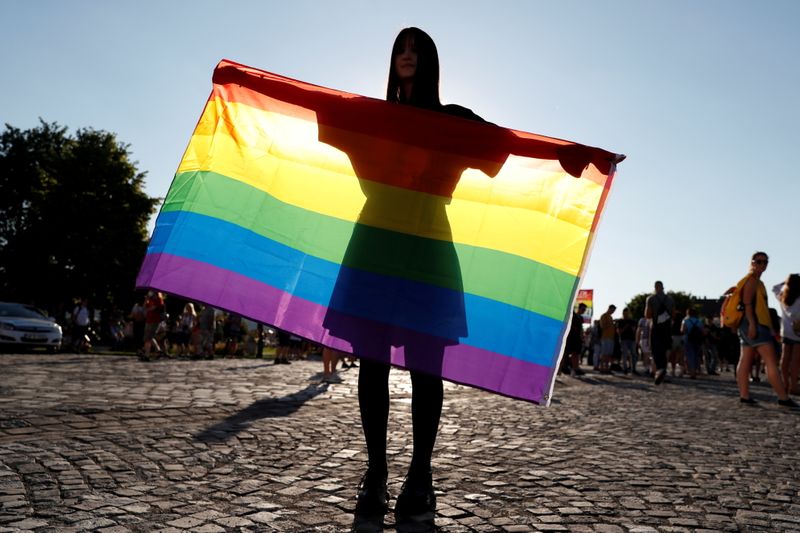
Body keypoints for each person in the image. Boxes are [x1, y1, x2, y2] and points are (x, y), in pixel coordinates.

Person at [736, 252, 796, 407]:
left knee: (745, 359)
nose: (762, 264)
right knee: (771, 361)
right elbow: (748, 304)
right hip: (754, 324)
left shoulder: (755, 281)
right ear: (752, 262)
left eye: (765, 262)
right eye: (759, 261)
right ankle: (783, 397)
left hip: (751, 324)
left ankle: (744, 395)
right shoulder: (752, 281)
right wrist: (753, 325)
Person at [773, 274, 800, 395]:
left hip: (785, 331)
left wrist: (784, 282)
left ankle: (785, 384)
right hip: (798, 333)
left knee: (784, 359)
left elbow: (774, 287)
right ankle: (794, 386)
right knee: (795, 361)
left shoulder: (783, 297)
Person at [645, 281, 674, 385]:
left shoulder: (651, 299)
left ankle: (659, 370)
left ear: (655, 287)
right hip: (667, 327)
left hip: (656, 327)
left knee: (656, 349)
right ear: (663, 287)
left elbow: (648, 315)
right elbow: (673, 315)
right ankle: (663, 369)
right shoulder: (670, 299)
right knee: (666, 348)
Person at [140, 291, 164, 361]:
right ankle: (158, 350)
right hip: (148, 320)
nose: (150, 292)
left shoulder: (159, 299)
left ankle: (146, 355)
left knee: (148, 338)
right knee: (147, 338)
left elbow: (152, 308)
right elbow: (144, 306)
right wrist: (146, 299)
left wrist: (147, 309)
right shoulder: (150, 299)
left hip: (155, 321)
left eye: (152, 292)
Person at [565, 303, 587, 377]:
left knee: (576, 353)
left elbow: (581, 329)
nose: (583, 311)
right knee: (567, 353)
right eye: (583, 309)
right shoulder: (573, 315)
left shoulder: (580, 318)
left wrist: (582, 337)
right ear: (579, 308)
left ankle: (575, 368)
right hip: (571, 337)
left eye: (584, 310)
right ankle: (565, 367)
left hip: (577, 338)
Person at [681, 308, 704, 379]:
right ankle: (697, 370)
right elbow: (702, 331)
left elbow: (682, 330)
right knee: (696, 356)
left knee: (690, 356)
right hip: (697, 340)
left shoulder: (685, 320)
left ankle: (692, 373)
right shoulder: (699, 321)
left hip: (688, 340)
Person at [616, 307, 637, 375]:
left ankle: (633, 369)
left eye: (627, 313)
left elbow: (635, 331)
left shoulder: (632, 321)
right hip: (624, 340)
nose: (626, 314)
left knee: (633, 354)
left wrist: (631, 328)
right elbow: (619, 331)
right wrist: (625, 327)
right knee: (625, 354)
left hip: (632, 339)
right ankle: (625, 369)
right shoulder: (620, 321)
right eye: (625, 313)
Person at [598, 305, 616, 373]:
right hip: (605, 337)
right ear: (609, 309)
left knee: (608, 354)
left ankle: (607, 368)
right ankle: (602, 368)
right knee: (604, 353)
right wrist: (610, 323)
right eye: (612, 310)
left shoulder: (610, 317)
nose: (613, 312)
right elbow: (602, 326)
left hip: (611, 338)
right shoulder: (604, 316)